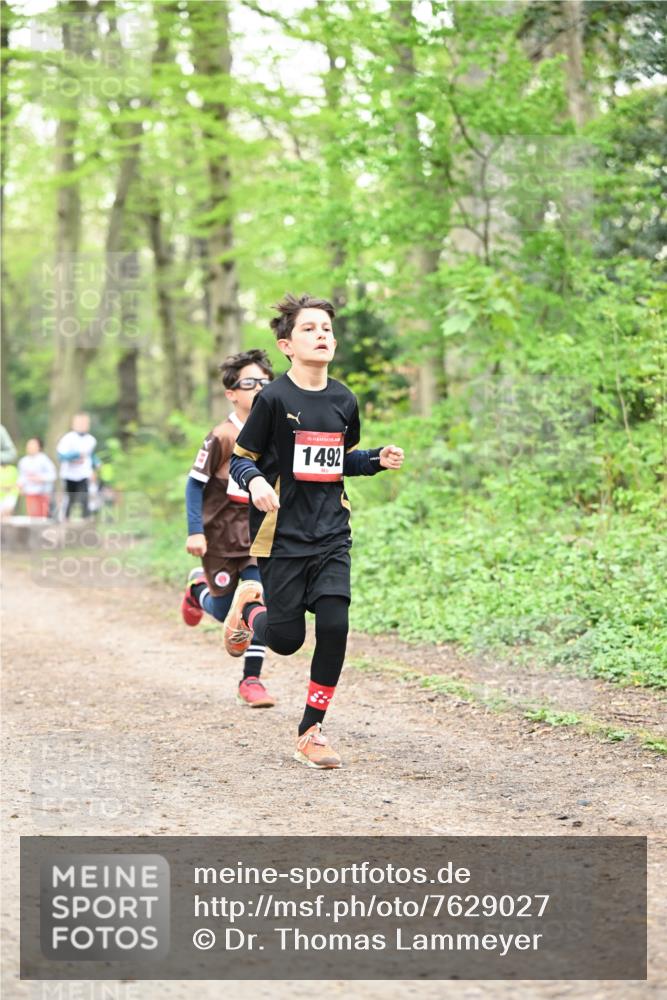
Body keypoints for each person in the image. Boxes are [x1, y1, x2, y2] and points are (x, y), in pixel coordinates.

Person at [228, 293, 404, 769]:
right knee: (285, 640)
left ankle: (311, 730)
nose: (321, 334)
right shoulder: (273, 400)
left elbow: (337, 461)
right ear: (286, 345)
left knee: (334, 624)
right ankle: (251, 610)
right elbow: (241, 461)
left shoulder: (344, 399)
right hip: (282, 536)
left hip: (331, 534)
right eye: (309, 328)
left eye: (326, 328)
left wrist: (375, 460)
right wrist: (257, 482)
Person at [183, 349, 277, 708]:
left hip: (257, 535)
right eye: (250, 383)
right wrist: (195, 531)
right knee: (224, 612)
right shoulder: (221, 436)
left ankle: (251, 680)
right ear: (231, 393)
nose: (259, 388)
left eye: (265, 382)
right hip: (220, 538)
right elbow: (194, 485)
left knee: (258, 600)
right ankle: (197, 590)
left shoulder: (274, 434)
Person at [56, 413, 97, 520]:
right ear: (73, 424)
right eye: (80, 423)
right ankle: (65, 518)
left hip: (84, 473)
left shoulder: (91, 440)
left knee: (84, 496)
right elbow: (61, 456)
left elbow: (91, 455)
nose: (83, 425)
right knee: (70, 497)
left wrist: (95, 465)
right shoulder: (68, 439)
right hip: (69, 474)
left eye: (85, 423)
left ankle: (86, 518)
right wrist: (76, 455)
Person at [17, 437, 56, 518]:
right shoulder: (23, 461)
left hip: (43, 493)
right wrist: (20, 486)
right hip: (30, 494)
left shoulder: (44, 460)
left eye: (33, 445)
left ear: (39, 447)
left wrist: (40, 478)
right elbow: (22, 476)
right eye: (29, 445)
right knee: (33, 516)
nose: (30, 447)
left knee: (42, 517)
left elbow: (53, 475)